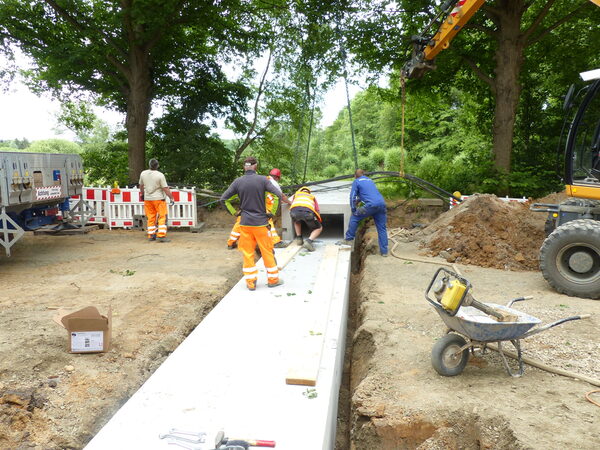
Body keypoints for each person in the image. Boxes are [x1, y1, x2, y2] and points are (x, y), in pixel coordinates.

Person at [220, 156, 283, 291]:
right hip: (261, 224)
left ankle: (251, 283)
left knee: (247, 253)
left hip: (245, 224)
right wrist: (271, 212)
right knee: (267, 252)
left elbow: (224, 199)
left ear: (244, 167)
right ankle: (273, 280)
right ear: (256, 166)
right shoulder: (262, 180)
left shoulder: (238, 182)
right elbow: (277, 194)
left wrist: (234, 213)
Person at [225, 168, 291, 249]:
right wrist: (289, 202)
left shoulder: (262, 179)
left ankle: (231, 243)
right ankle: (275, 242)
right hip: (262, 206)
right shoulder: (273, 183)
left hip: (249, 204)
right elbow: (281, 196)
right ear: (277, 177)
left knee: (240, 222)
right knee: (268, 222)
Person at [338, 169, 388, 256]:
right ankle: (384, 252)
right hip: (381, 204)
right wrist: (359, 200)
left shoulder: (356, 182)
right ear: (364, 174)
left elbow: (352, 196)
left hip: (370, 206)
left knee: (355, 217)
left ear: (355, 176)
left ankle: (348, 240)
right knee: (382, 228)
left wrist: (353, 209)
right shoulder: (370, 180)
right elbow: (369, 194)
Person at [139, 158, 174, 243]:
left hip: (148, 199)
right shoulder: (160, 175)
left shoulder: (143, 173)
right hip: (159, 199)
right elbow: (165, 188)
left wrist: (142, 194)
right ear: (157, 165)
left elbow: (141, 185)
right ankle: (161, 236)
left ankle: (151, 235)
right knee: (162, 217)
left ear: (149, 165)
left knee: (151, 217)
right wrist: (171, 197)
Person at [289, 186, 322, 252]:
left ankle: (299, 239)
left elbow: (292, 204)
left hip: (294, 212)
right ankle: (308, 242)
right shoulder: (311, 196)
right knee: (319, 228)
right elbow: (317, 210)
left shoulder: (296, 195)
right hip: (307, 213)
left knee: (297, 221)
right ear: (308, 192)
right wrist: (317, 220)